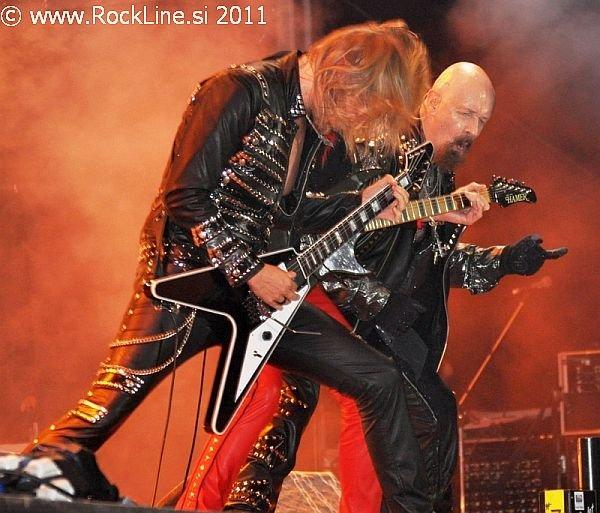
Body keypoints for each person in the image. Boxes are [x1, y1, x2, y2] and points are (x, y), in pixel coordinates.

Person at [3, 20, 441, 513]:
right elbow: (185, 196)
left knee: (378, 379)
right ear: (344, 73)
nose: (358, 119)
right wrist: (250, 270)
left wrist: (356, 204)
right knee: (103, 411)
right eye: (364, 105)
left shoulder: (305, 123)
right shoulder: (238, 89)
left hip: (252, 296)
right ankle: (31, 474)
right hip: (186, 283)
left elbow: (286, 219)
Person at [179, 63, 567, 513]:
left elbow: (438, 262)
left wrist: (504, 260)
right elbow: (318, 230)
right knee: (275, 403)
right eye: (465, 114)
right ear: (431, 102)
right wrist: (379, 301)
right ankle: (207, 505)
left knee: (390, 401)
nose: (472, 130)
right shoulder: (376, 144)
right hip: (306, 290)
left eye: (482, 120)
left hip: (362, 318)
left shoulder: (440, 178)